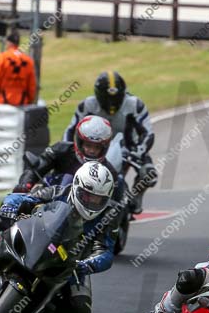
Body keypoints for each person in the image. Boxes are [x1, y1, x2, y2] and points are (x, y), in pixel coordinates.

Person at [0, 161, 116, 313]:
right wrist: (9, 208)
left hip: (73, 262)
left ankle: (42, 306)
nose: (91, 202)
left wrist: (87, 265)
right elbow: (21, 198)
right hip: (39, 240)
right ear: (76, 187)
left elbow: (105, 252)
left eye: (98, 199)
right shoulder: (59, 192)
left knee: (81, 310)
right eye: (87, 195)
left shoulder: (110, 215)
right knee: (0, 222)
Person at [63, 71, 157, 214]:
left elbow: (148, 133)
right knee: (64, 168)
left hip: (129, 148)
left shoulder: (135, 104)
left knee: (149, 173)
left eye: (116, 98)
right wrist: (69, 149)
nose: (111, 103)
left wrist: (138, 152)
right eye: (107, 98)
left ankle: (136, 197)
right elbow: (71, 130)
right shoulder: (87, 105)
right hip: (95, 147)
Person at [15, 114, 117, 192]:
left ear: (104, 147)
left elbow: (116, 201)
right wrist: (26, 183)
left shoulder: (108, 171)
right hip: (50, 201)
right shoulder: (61, 150)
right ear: (79, 142)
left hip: (85, 214)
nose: (92, 150)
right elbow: (38, 166)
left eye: (97, 147)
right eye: (88, 145)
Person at [0, 30, 37, 105]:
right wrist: (30, 100)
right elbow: (32, 85)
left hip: (2, 102)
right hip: (22, 102)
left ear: (8, 42)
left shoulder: (2, 58)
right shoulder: (28, 60)